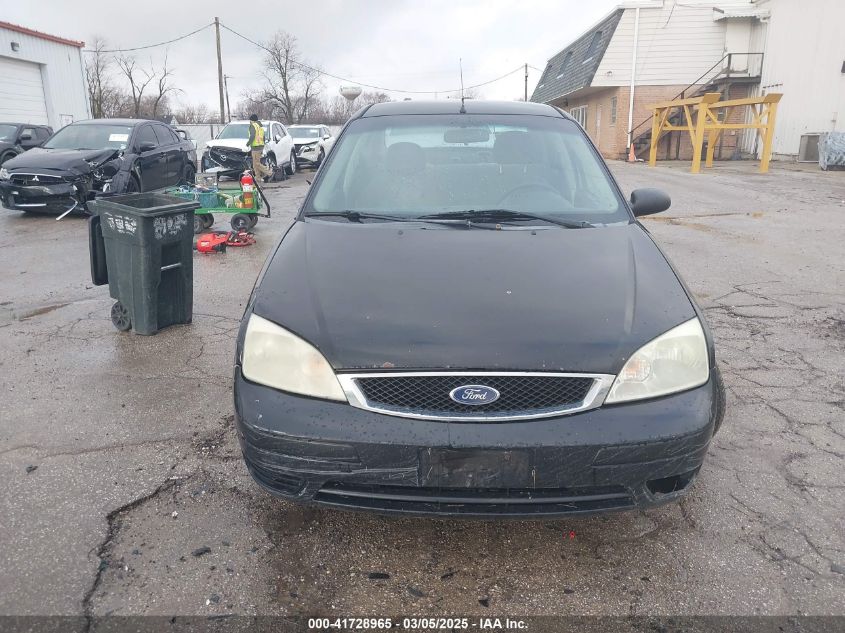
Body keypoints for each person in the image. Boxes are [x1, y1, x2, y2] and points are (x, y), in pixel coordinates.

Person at [247, 114, 274, 182]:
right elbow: (263, 137)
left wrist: (248, 144)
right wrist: (263, 144)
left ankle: (269, 172)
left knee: (256, 163)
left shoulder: (253, 126)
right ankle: (258, 177)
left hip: (255, 147)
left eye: (250, 120)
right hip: (260, 146)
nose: (249, 121)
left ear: (252, 120)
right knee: (255, 163)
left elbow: (252, 136)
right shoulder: (260, 126)